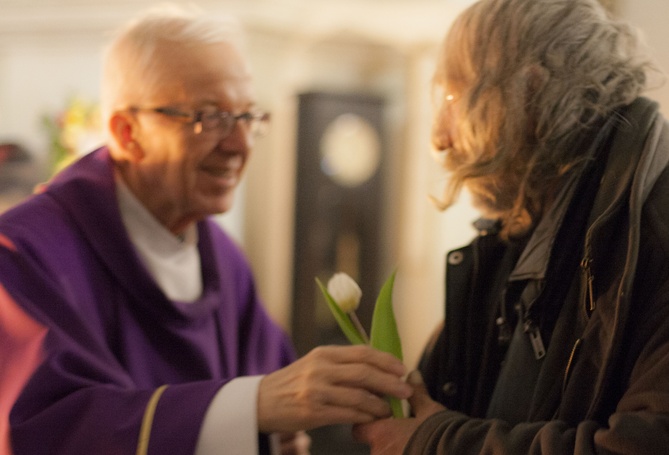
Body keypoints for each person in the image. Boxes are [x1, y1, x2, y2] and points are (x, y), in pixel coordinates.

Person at [0, 5, 413, 455]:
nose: (238, 144)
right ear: (127, 132)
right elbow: (41, 432)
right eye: (210, 117)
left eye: (248, 117)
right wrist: (252, 408)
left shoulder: (225, 259)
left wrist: (276, 433)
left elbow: (279, 395)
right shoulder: (23, 254)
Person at [353, 0, 669, 453]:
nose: (439, 138)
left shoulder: (654, 231)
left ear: (529, 93)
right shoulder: (517, 231)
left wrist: (436, 442)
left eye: (452, 100)